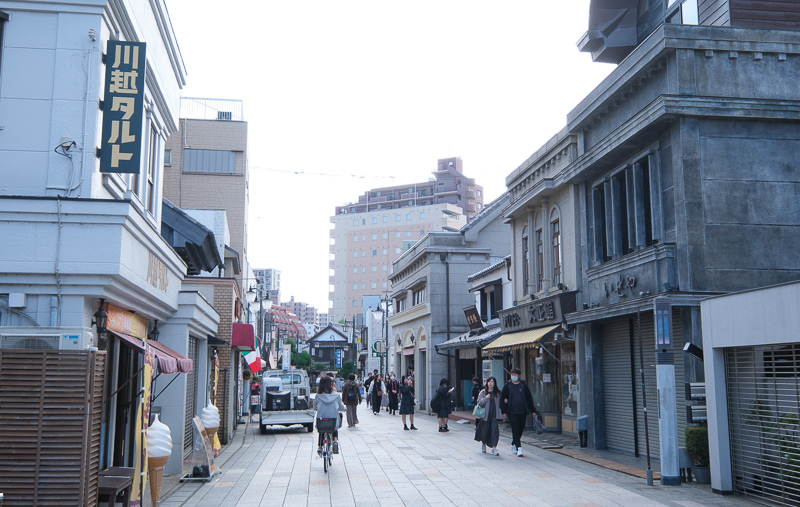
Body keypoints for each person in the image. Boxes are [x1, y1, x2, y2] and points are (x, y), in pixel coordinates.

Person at [500, 368, 538, 457]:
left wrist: (533, 410)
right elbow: (503, 399)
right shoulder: (507, 386)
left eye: (516, 375)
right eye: (512, 375)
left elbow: (529, 398)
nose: (514, 376)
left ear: (519, 376)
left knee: (520, 429)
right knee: (515, 428)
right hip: (512, 411)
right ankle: (519, 448)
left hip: (523, 411)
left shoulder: (523, 386)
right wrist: (504, 411)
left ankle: (514, 443)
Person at [313, 376, 345, 456]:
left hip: (322, 419)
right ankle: (335, 440)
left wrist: (317, 408)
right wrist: (344, 409)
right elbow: (341, 406)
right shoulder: (336, 395)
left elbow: (314, 406)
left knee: (321, 430)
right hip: (333, 419)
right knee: (335, 423)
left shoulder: (318, 396)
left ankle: (320, 447)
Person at [476, 376, 503, 455]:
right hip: (485, 416)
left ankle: (494, 447)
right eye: (489, 381)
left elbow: (501, 403)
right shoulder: (483, 392)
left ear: (494, 383)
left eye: (492, 382)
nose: (490, 383)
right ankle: (483, 444)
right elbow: (479, 403)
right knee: (485, 431)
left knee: (495, 431)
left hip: (494, 415)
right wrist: (486, 398)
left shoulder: (497, 393)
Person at [471, 376, 482, 441]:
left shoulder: (480, 387)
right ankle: (477, 426)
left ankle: (479, 426)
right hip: (476, 402)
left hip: (480, 402)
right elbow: (472, 393)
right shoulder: (474, 387)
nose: (473, 382)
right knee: (477, 415)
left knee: (480, 415)